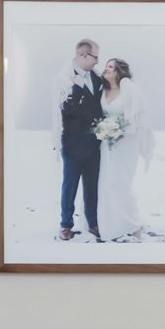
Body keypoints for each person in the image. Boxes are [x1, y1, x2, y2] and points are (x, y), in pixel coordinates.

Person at [54, 39, 104, 241]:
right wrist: (78, 92)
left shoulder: (97, 78)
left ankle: (93, 223)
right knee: (70, 185)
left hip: (94, 143)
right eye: (95, 57)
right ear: (83, 56)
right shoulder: (64, 78)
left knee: (92, 185)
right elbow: (63, 110)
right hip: (73, 143)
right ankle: (66, 225)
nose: (97, 61)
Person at [94, 57, 147, 241]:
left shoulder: (128, 89)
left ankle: (133, 225)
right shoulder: (103, 89)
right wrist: (104, 131)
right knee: (106, 183)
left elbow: (135, 119)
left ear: (118, 72)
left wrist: (119, 133)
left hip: (125, 143)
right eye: (106, 66)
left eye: (111, 67)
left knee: (121, 183)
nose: (106, 69)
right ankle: (111, 225)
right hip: (106, 143)